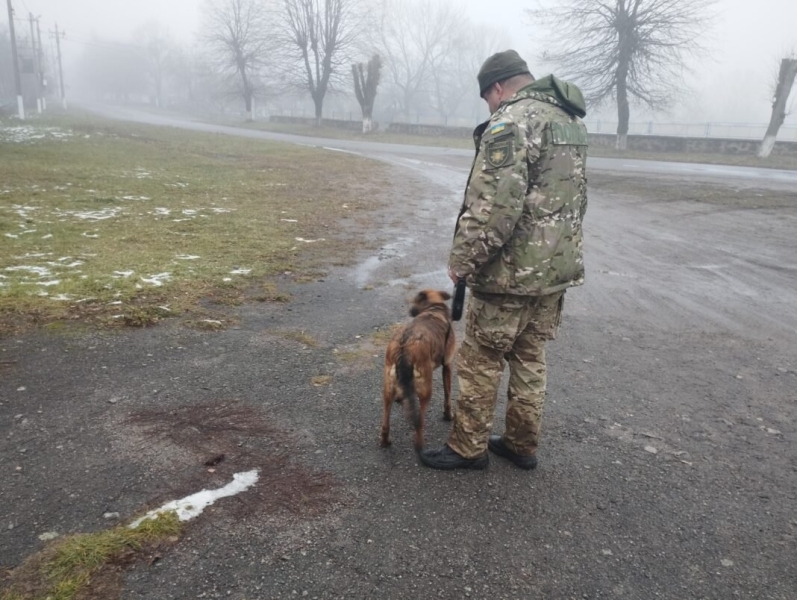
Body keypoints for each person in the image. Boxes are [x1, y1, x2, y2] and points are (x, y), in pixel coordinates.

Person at [419, 50, 588, 471]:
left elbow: (495, 207)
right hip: (553, 272)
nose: (491, 106)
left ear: (497, 87)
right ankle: (521, 443)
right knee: (530, 358)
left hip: (510, 276)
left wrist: (463, 262)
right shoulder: (568, 121)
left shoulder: (512, 122)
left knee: (481, 359)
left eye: (486, 98)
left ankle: (467, 447)